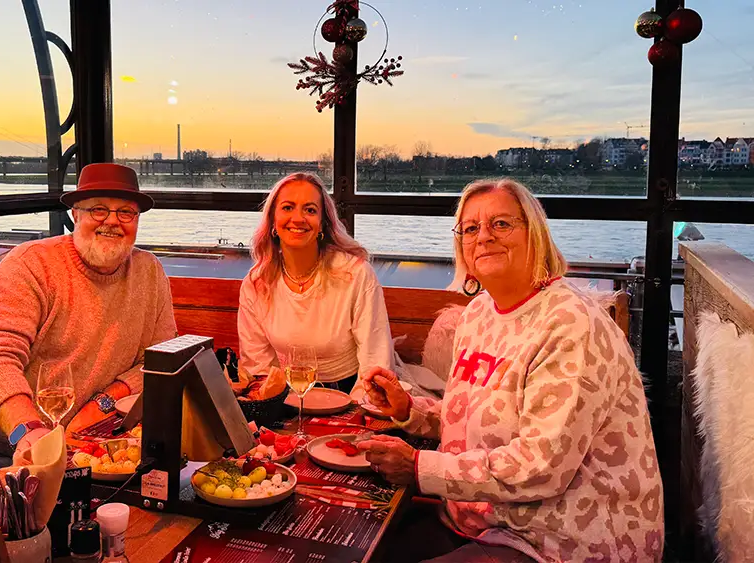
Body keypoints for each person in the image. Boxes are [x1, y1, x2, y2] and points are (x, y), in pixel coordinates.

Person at [359, 178, 663, 562]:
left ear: (534, 234)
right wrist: (408, 409)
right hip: (477, 519)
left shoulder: (570, 324)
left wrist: (420, 467)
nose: (484, 236)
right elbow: (473, 419)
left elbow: (541, 466)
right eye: (471, 228)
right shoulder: (478, 314)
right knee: (354, 542)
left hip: (559, 542)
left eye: (501, 224)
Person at [0, 163, 177, 494]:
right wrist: (28, 430)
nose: (112, 221)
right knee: (25, 521)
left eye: (125, 213)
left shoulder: (149, 272)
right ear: (75, 215)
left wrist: (104, 402)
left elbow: (161, 359)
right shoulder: (30, 264)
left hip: (85, 442)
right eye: (98, 210)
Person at [237, 172, 395, 394]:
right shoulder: (256, 283)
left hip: (352, 394)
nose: (298, 218)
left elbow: (375, 361)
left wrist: (353, 411)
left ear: (322, 224)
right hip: (288, 397)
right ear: (273, 220)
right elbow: (259, 368)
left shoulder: (356, 274)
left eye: (310, 210)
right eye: (288, 207)